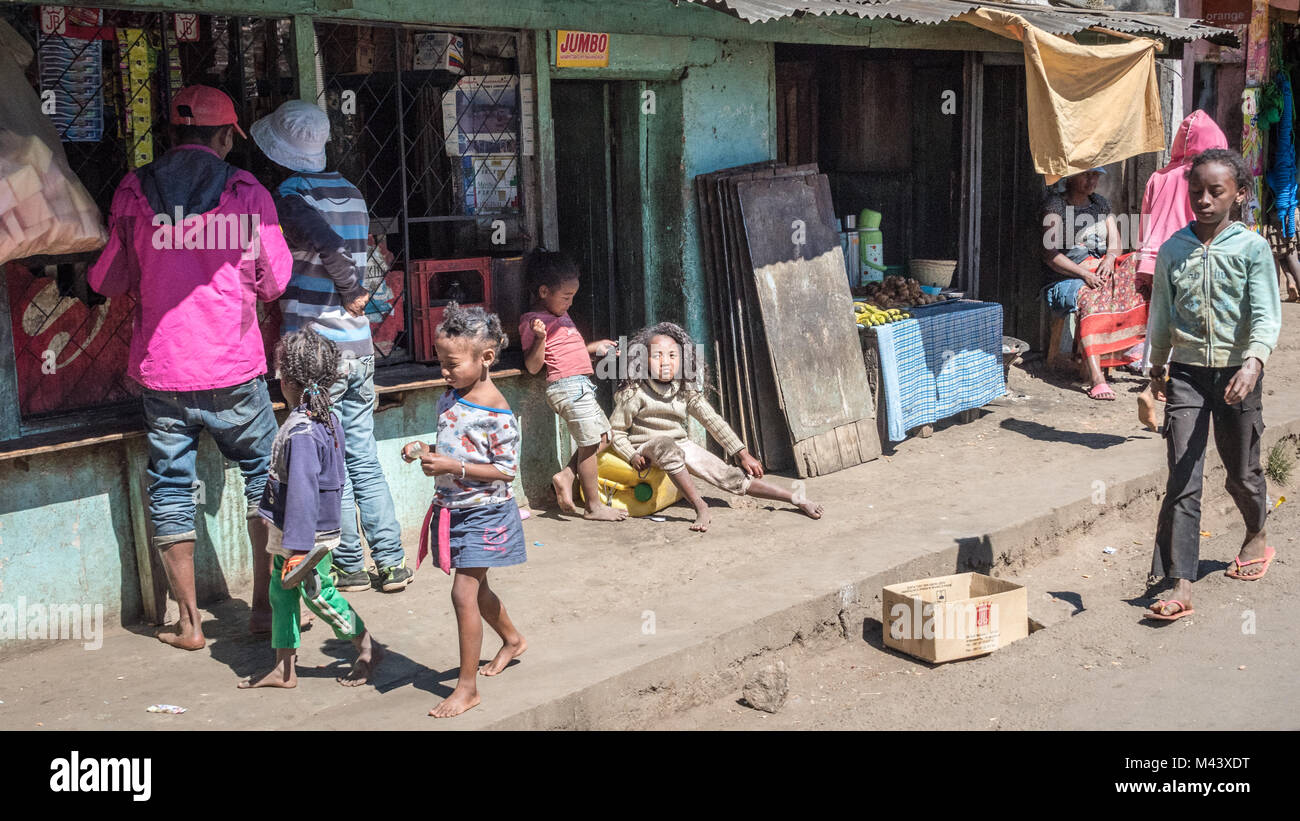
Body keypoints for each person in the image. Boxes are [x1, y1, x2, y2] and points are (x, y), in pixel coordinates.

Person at [88, 85, 293, 649]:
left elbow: (105, 279)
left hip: (165, 370)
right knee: (263, 483)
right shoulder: (247, 191)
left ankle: (189, 624)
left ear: (173, 135)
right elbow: (275, 281)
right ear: (226, 136)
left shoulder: (134, 190)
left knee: (171, 487)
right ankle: (260, 609)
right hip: (234, 366)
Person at [250, 100, 411, 595]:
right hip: (359, 349)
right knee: (361, 455)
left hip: (318, 353)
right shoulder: (351, 192)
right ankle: (391, 560)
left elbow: (320, 241)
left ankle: (349, 565)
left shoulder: (290, 194)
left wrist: (347, 286)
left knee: (328, 460)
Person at [1144, 148, 1282, 621]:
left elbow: (1266, 313)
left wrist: (1254, 363)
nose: (1202, 199)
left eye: (1215, 191)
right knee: (1183, 474)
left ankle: (1256, 534)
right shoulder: (1173, 249)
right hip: (1185, 373)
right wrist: (1153, 371)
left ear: (1239, 195)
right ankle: (1180, 580)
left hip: (1238, 374)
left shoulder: (1252, 249)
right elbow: (1160, 314)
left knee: (1241, 471)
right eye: (1196, 191)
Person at [400, 304, 527, 718]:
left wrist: (451, 466)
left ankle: (467, 688)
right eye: (441, 362)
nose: (444, 371)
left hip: (485, 514)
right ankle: (512, 639)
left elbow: (506, 471)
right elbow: (456, 449)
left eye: (451, 364)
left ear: (485, 358)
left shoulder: (498, 414)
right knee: (478, 589)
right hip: (454, 509)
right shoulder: (450, 397)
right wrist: (425, 450)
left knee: (463, 593)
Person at [238, 330, 383, 688]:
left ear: (284, 380)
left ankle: (366, 645)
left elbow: (303, 492)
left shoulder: (301, 429)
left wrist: (299, 549)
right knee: (280, 593)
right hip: (300, 531)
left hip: (303, 537)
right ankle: (284, 668)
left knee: (319, 595)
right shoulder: (327, 418)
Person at [608, 322, 824, 533]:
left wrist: (742, 453)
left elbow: (713, 421)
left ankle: (796, 499)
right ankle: (700, 506)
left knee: (729, 476)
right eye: (657, 356)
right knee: (666, 445)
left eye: (672, 356)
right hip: (645, 446)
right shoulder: (634, 393)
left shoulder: (684, 390)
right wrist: (631, 455)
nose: (665, 362)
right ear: (642, 360)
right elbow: (615, 431)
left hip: (678, 444)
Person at [518, 250, 625, 522]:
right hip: (567, 388)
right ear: (544, 291)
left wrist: (595, 346)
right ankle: (593, 506)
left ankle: (566, 476)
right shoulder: (535, 321)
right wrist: (540, 338)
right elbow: (533, 366)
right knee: (590, 442)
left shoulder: (560, 314)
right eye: (566, 296)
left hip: (580, 385)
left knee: (603, 438)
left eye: (573, 296)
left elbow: (567, 350)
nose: (570, 302)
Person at [1136, 110, 1230, 371]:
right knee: (1190, 313)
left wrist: (1142, 257)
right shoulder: (1206, 178)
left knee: (1161, 312)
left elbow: (1145, 220)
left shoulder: (1159, 176)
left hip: (1158, 255)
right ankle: (1183, 367)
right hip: (1191, 252)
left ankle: (1153, 366)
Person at [1040, 167, 1146, 400]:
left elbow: (1116, 244)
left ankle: (1128, 346)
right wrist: (1083, 274)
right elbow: (1051, 255)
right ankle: (1097, 378)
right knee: (1092, 295)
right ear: (1071, 176)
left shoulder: (1100, 204)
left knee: (1135, 271)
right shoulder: (1056, 205)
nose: (1092, 180)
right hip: (1066, 277)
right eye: (1087, 174)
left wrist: (1109, 258)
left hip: (1097, 272)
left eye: (1096, 175)